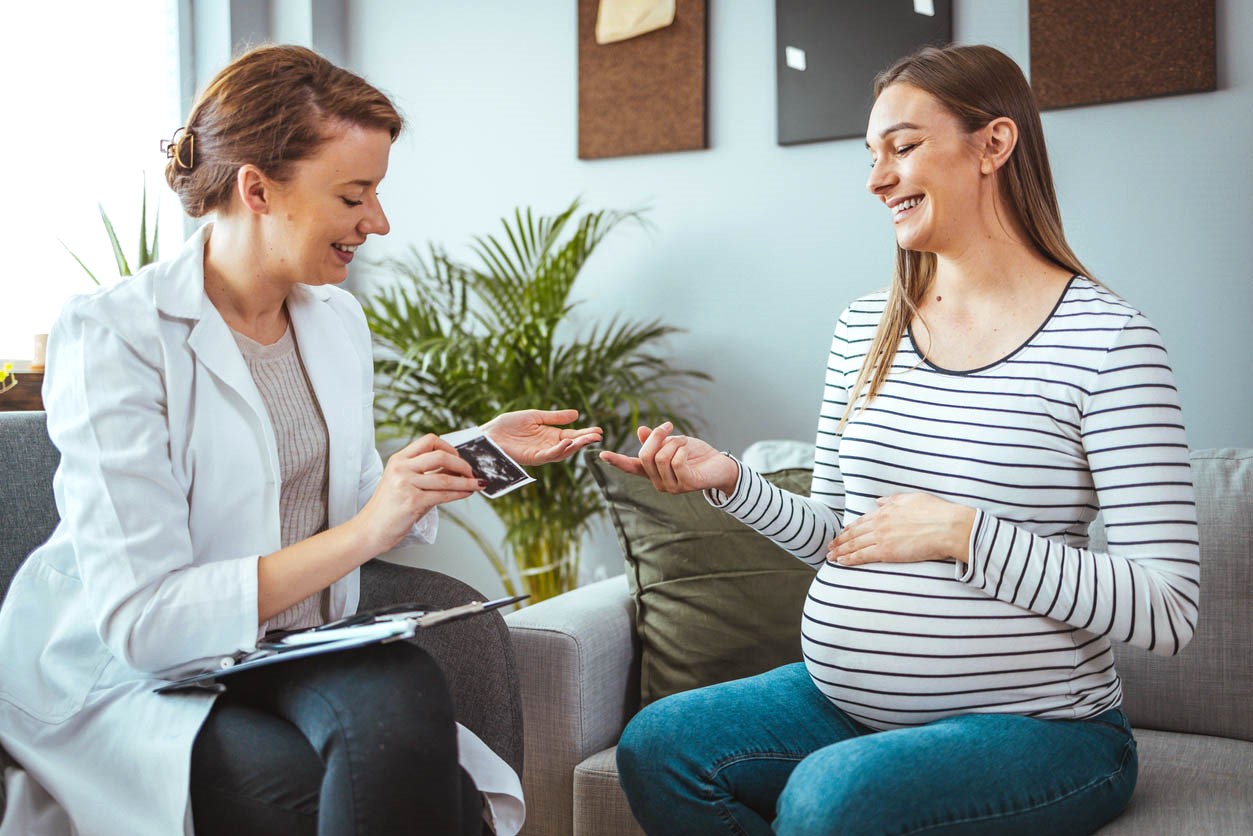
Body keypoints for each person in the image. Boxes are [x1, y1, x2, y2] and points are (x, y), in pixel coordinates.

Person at [0, 44, 601, 836]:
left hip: (291, 645)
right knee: (408, 803)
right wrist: (364, 531)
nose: (378, 222)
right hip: (139, 673)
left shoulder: (334, 320)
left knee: (405, 696)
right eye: (355, 194)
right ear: (256, 189)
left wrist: (474, 456)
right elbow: (146, 621)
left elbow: (345, 499)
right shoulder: (115, 334)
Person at [601, 43, 1199, 835]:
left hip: (1046, 732)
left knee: (832, 798)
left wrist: (963, 533)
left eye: (903, 146)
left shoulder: (1108, 342)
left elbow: (1167, 608)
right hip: (840, 705)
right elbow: (844, 541)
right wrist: (731, 482)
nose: (875, 178)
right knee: (659, 744)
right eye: (870, 154)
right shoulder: (864, 328)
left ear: (992, 145)